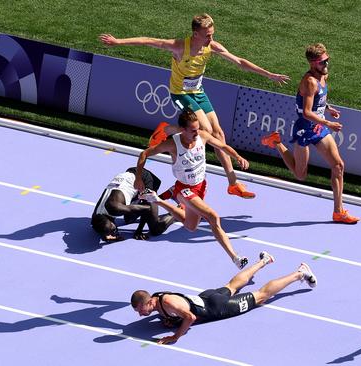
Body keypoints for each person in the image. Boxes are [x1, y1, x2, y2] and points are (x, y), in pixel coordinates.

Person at [99, 13, 290, 199]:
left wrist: (269, 74)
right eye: (208, 35)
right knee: (206, 130)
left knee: (219, 133)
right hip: (180, 94)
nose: (211, 38)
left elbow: (239, 62)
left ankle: (233, 184)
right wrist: (118, 42)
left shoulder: (211, 46)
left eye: (212, 34)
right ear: (195, 34)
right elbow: (148, 40)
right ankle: (170, 129)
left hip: (198, 92)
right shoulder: (179, 47)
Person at [134, 108, 251, 269]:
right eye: (193, 131)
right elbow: (144, 154)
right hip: (184, 189)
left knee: (191, 226)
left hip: (201, 186)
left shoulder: (202, 136)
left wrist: (238, 157)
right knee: (213, 217)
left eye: (198, 129)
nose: (197, 133)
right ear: (183, 130)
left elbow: (223, 147)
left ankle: (158, 200)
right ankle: (235, 257)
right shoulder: (172, 145)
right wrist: (138, 177)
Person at [260, 43, 359, 224]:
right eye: (322, 62)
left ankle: (338, 211)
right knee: (300, 175)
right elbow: (306, 112)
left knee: (338, 166)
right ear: (313, 63)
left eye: (327, 60)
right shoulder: (309, 81)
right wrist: (328, 122)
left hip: (318, 127)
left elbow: (319, 99)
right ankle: (276, 142)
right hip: (305, 128)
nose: (326, 64)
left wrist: (328, 108)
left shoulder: (323, 75)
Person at [130, 251, 317, 344]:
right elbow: (177, 312)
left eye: (140, 310)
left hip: (217, 307)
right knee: (232, 285)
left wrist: (175, 336)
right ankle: (264, 260)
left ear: (148, 302)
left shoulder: (168, 303)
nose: (140, 315)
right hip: (207, 297)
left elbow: (190, 317)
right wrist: (171, 319)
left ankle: (299, 273)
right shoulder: (157, 298)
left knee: (260, 296)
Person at [91, 167, 175, 242]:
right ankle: (139, 199)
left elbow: (147, 209)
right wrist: (106, 234)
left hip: (142, 179)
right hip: (128, 177)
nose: (113, 232)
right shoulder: (96, 217)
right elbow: (98, 227)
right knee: (129, 219)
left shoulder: (116, 208)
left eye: (112, 229)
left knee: (155, 229)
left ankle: (177, 211)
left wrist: (139, 231)